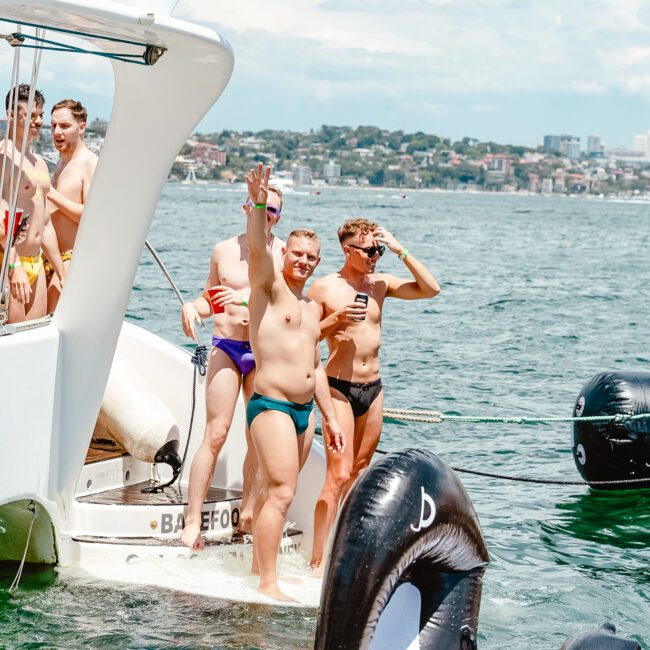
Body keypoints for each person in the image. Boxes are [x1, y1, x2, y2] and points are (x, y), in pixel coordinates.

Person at [309, 217, 440, 569]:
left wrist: (401, 250)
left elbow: (431, 289)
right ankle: (317, 561)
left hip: (374, 387)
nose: (375, 256)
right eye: (369, 251)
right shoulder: (324, 288)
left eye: (379, 250)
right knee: (337, 475)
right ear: (347, 250)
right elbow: (304, 338)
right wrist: (335, 319)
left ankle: (344, 549)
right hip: (338, 387)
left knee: (360, 471)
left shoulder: (379, 283)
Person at [245, 163, 344, 601]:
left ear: (317, 261)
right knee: (283, 492)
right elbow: (256, 247)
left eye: (310, 257)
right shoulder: (268, 289)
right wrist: (259, 205)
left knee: (274, 490)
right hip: (271, 406)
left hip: (304, 412)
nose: (302, 261)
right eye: (296, 254)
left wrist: (331, 416)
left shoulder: (312, 308)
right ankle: (268, 583)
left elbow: (315, 366)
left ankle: (255, 569)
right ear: (284, 253)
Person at [179, 185, 286, 549]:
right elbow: (210, 297)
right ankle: (192, 519)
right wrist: (193, 307)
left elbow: (281, 304)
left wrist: (242, 298)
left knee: (258, 437)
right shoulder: (223, 250)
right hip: (226, 345)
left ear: (278, 216)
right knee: (216, 433)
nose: (265, 214)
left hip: (262, 350)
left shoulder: (283, 254)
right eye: (259, 207)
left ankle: (249, 513)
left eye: (271, 210)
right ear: (246, 208)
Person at [0, 84, 63, 324]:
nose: (38, 121)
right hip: (9, 263)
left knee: (36, 337)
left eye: (40, 116)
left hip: (36, 261)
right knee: (11, 343)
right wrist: (14, 266)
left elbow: (45, 224)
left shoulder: (39, 163)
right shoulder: (3, 158)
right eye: (31, 115)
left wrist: (61, 271)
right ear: (12, 114)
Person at [45, 98, 98, 312]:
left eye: (65, 126)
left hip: (70, 260)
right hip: (48, 258)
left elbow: (90, 217)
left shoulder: (89, 163)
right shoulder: (61, 163)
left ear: (82, 127)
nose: (57, 131)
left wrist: (49, 193)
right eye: (54, 126)